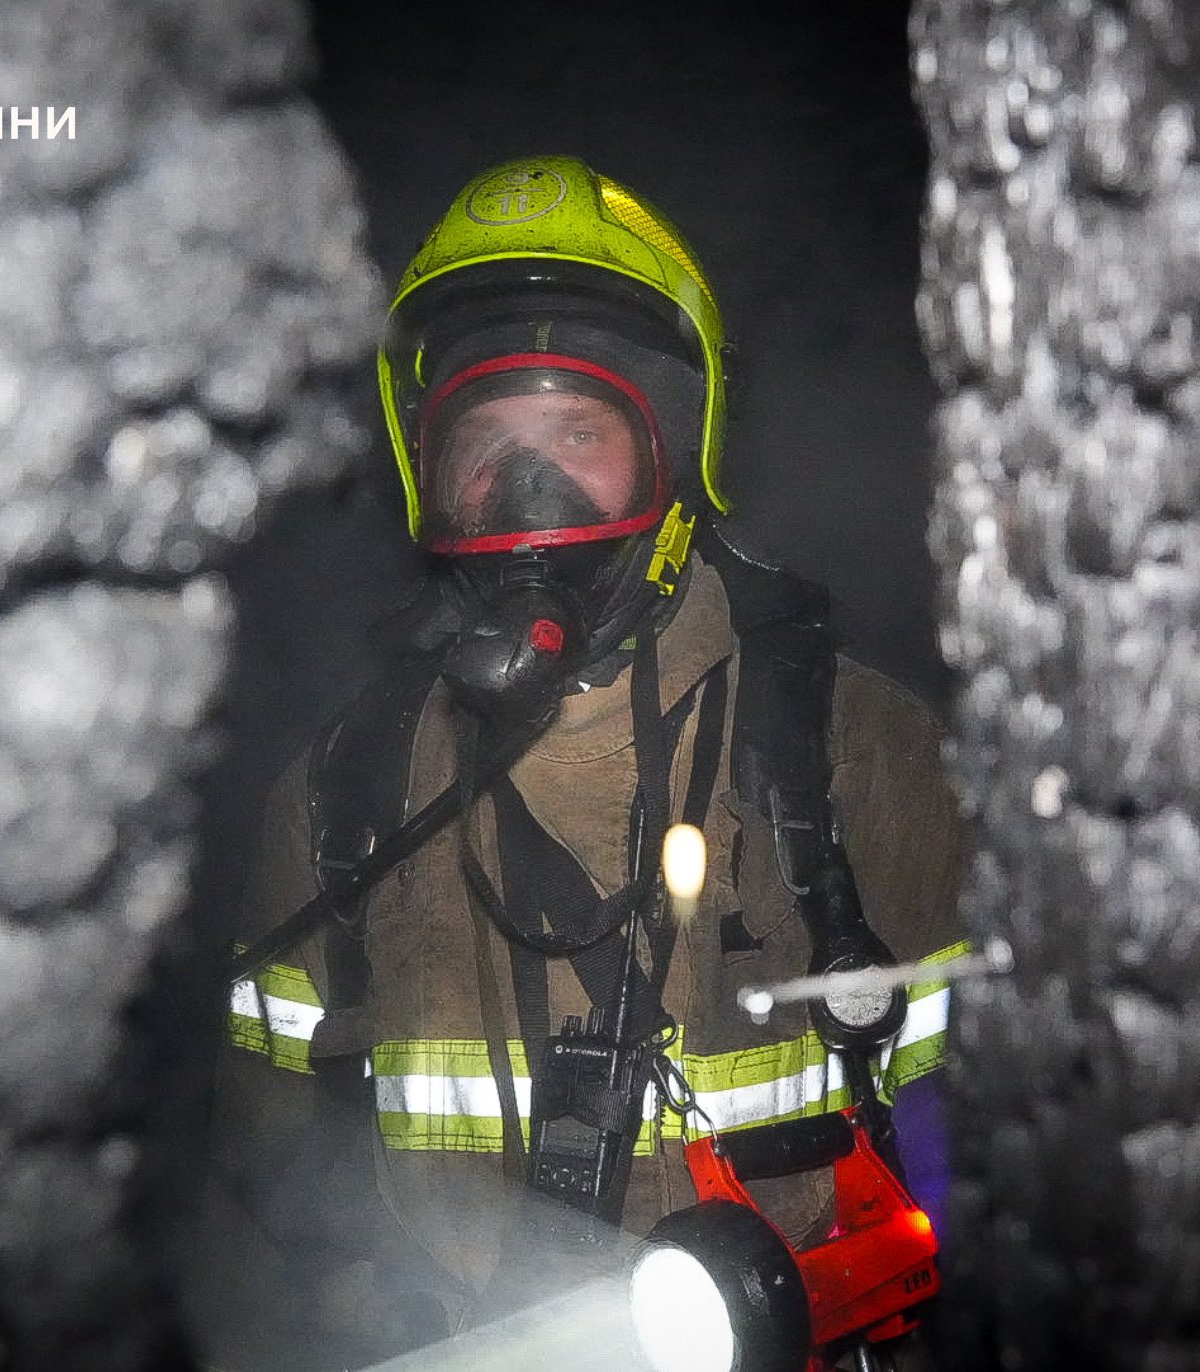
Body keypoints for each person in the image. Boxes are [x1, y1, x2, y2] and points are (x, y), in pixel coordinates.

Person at [195, 155, 968, 1369]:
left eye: (574, 430)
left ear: (673, 447)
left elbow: (996, 1137)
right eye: (483, 441)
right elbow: (259, 1181)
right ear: (425, 470)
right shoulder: (345, 796)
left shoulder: (856, 756)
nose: (527, 487)